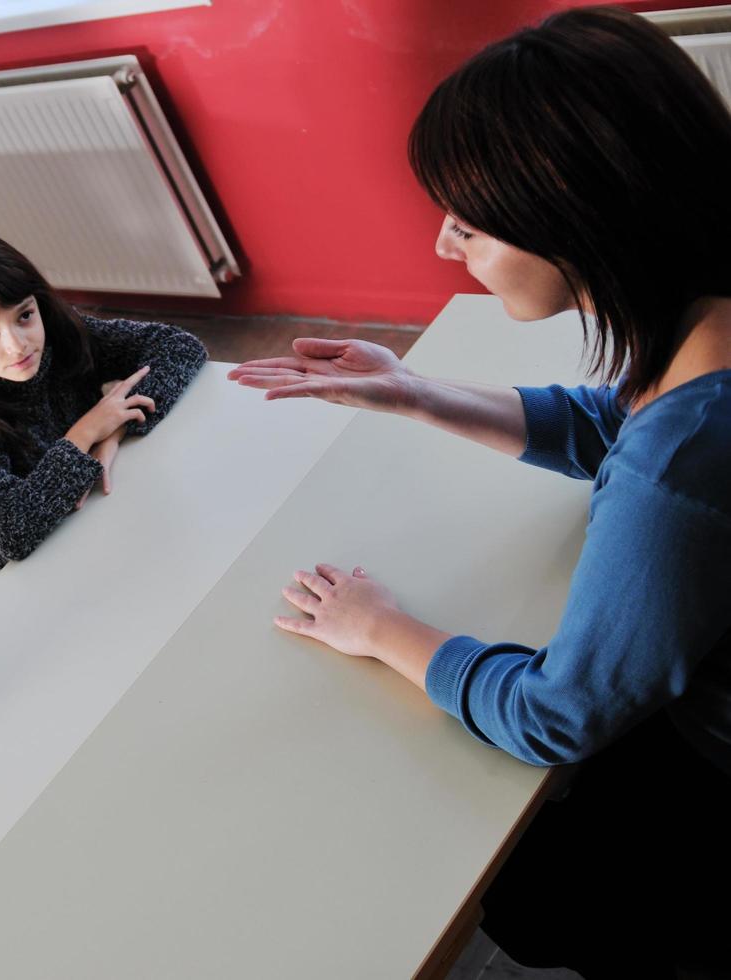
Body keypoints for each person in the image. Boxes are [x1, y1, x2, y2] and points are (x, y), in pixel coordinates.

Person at [228, 8, 731, 975]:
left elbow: (557, 713)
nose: (445, 245)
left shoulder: (685, 464)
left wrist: (380, 629)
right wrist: (416, 390)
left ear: (584, 218)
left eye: (472, 219)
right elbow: (621, 428)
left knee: (528, 896)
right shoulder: (707, 318)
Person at [0, 230, 206, 567]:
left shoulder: (61, 336)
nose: (17, 345)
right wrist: (85, 433)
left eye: (24, 316)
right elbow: (11, 532)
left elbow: (180, 347)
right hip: (51, 567)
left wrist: (114, 432)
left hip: (116, 514)